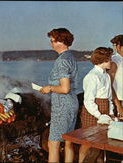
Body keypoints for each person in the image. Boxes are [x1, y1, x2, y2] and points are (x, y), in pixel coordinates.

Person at [40, 28, 79, 162]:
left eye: (52, 41)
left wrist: (49, 88)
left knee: (53, 144)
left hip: (62, 106)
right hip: (72, 103)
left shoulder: (61, 61)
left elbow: (65, 88)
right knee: (68, 141)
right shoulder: (71, 56)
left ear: (61, 41)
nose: (51, 44)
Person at [79, 47, 114, 163]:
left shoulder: (106, 76)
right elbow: (88, 101)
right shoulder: (92, 76)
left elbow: (109, 98)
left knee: (100, 145)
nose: (111, 62)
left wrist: (111, 113)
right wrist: (99, 116)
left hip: (104, 113)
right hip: (92, 113)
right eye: (109, 59)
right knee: (87, 144)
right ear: (102, 60)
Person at [108, 35, 123, 117]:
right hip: (118, 101)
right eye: (113, 45)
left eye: (114, 45)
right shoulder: (114, 61)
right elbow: (109, 84)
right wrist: (119, 106)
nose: (114, 47)